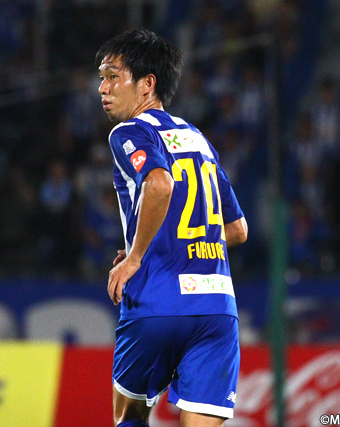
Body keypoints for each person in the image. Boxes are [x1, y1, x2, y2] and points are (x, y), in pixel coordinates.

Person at [96, 29, 248, 427]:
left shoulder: (130, 132)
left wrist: (136, 256)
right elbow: (237, 229)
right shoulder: (198, 140)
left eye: (113, 77)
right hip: (217, 307)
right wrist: (161, 242)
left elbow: (159, 184)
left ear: (147, 84)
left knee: (129, 417)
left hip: (158, 301)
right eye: (102, 78)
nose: (102, 88)